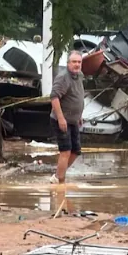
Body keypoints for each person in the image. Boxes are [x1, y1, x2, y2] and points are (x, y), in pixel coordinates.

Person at [50, 51, 85, 184]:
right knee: (66, 151)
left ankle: (58, 175)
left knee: (75, 151)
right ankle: (60, 182)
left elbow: (79, 95)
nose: (77, 64)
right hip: (62, 120)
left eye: (79, 62)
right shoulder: (63, 77)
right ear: (68, 63)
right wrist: (61, 118)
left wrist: (79, 115)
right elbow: (54, 97)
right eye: (74, 62)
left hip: (73, 120)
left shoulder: (79, 75)